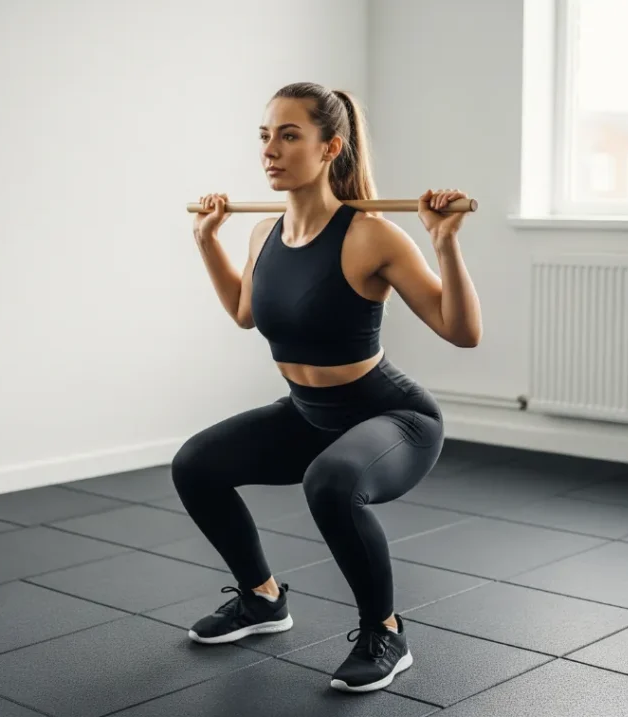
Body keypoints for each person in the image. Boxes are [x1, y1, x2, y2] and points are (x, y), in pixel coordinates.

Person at [171, 81, 482, 694]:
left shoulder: (371, 235)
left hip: (394, 420)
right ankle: (261, 599)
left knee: (331, 483)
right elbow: (244, 312)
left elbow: (462, 332)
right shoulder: (264, 233)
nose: (270, 150)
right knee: (195, 465)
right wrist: (206, 240)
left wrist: (445, 243)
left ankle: (385, 632)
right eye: (266, 136)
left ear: (330, 147)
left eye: (289, 136)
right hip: (308, 414)